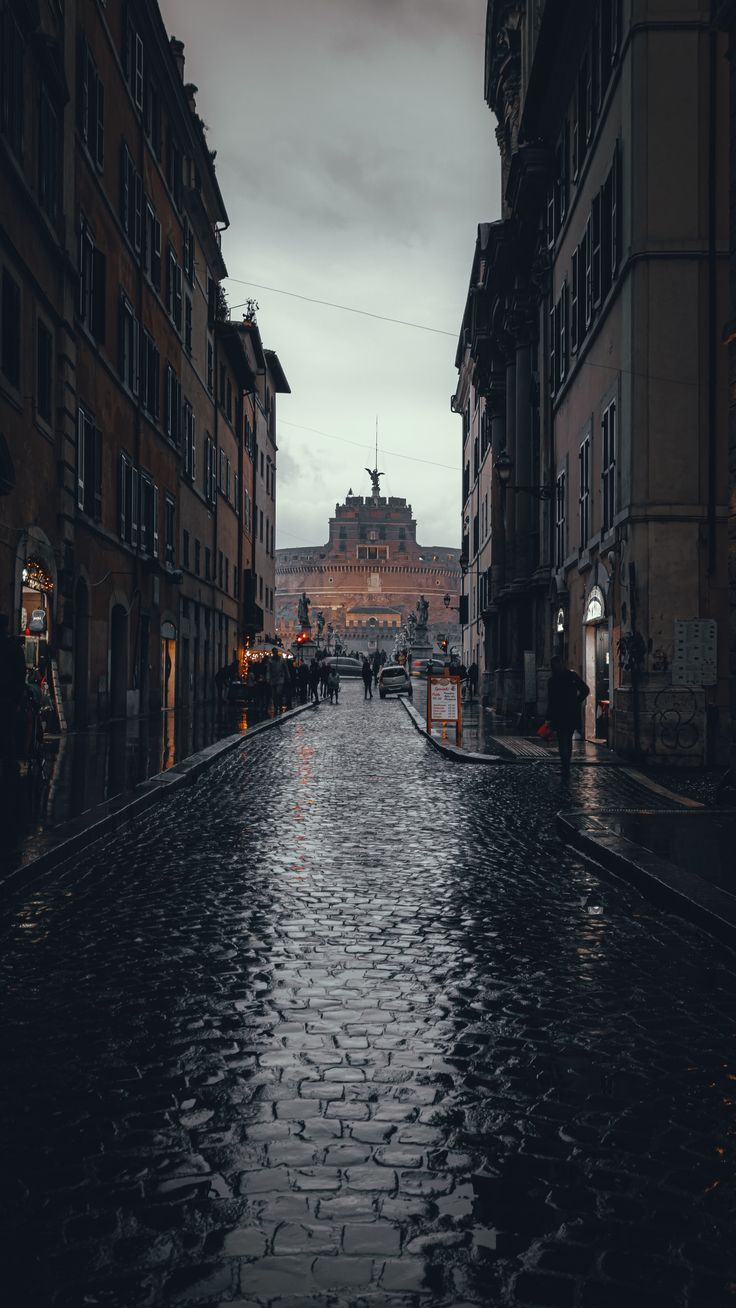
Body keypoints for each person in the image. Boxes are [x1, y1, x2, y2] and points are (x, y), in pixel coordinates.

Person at [545, 656, 590, 768]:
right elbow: (585, 690)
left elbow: (551, 701)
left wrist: (548, 717)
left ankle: (565, 764)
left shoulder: (552, 680)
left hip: (560, 714)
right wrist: (576, 701)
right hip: (570, 713)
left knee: (562, 740)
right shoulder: (571, 676)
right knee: (568, 739)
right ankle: (566, 764)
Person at [0, 615, 26, 767]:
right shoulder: (13, 646)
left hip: (7, 695)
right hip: (8, 697)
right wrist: (17, 698)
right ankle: (10, 774)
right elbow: (20, 673)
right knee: (7, 733)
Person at [266, 647, 286, 713]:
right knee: (274, 694)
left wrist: (288, 676)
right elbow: (268, 670)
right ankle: (275, 706)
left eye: (276, 652)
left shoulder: (282, 660)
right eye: (274, 652)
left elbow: (286, 669)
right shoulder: (270, 660)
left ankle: (279, 705)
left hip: (280, 678)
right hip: (273, 679)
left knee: (279, 692)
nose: (275, 653)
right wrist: (268, 678)